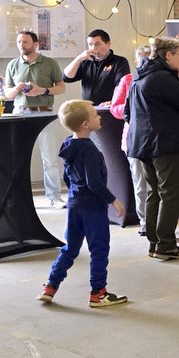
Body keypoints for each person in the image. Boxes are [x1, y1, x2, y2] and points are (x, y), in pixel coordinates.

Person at [38, 99, 127, 308]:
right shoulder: (90, 149)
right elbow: (94, 182)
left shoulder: (68, 144)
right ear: (85, 124)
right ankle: (98, 293)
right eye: (95, 115)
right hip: (93, 207)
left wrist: (74, 194)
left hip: (74, 203)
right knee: (99, 249)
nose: (99, 117)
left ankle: (50, 286)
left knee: (70, 248)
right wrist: (114, 201)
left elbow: (67, 177)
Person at [126, 37, 179, 260]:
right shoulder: (163, 77)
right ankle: (166, 245)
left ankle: (154, 243)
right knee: (171, 194)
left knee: (154, 193)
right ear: (168, 55)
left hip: (143, 143)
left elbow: (127, 113)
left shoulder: (138, 76)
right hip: (166, 143)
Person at [3, 29, 66, 206]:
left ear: (35, 44)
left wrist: (42, 90)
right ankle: (19, 197)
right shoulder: (12, 64)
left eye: (25, 42)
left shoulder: (49, 63)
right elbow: (7, 94)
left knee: (49, 157)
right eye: (19, 42)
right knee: (18, 157)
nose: (21, 45)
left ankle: (54, 197)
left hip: (44, 113)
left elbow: (61, 87)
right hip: (20, 113)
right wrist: (16, 89)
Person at [110, 45, 152, 235]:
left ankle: (160, 220)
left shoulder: (162, 80)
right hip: (134, 139)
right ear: (136, 62)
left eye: (151, 60)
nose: (147, 64)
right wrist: (133, 107)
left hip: (157, 139)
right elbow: (115, 109)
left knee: (158, 184)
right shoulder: (127, 80)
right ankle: (145, 221)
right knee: (140, 183)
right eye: (143, 60)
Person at [62, 29, 130, 106]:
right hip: (88, 108)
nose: (93, 48)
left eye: (97, 44)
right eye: (90, 45)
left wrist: (113, 102)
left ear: (108, 44)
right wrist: (79, 58)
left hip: (109, 107)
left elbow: (121, 86)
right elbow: (66, 78)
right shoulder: (85, 62)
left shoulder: (120, 62)